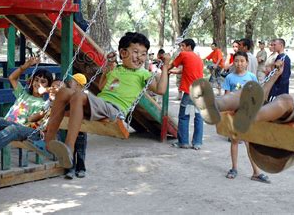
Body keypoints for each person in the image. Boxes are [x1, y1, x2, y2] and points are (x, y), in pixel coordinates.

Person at [44, 32, 170, 168]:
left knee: (78, 95)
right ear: (123, 53)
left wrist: (166, 67)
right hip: (101, 104)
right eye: (135, 52)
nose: (139, 57)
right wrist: (107, 68)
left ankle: (69, 147)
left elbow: (161, 90)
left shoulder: (143, 74)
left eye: (143, 53)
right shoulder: (116, 69)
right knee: (63, 92)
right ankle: (49, 140)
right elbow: (102, 86)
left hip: (115, 110)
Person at [190, 60, 294, 173]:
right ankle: (214, 106)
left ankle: (249, 118)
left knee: (285, 99)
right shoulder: (288, 113)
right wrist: (275, 75)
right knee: (251, 90)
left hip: (280, 157)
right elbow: (261, 98)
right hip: (259, 149)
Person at [221, 52, 270, 183]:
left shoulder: (252, 77)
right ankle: (234, 168)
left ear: (247, 63)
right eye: (236, 61)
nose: (239, 64)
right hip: (234, 115)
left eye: (242, 61)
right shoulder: (229, 78)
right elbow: (226, 98)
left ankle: (256, 172)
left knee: (250, 143)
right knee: (235, 142)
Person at [168, 38, 204, 150]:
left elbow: (171, 65)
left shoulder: (184, 54)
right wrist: (173, 72)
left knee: (184, 116)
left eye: (182, 45)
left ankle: (183, 142)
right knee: (198, 117)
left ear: (189, 46)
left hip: (189, 92)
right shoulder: (197, 58)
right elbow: (186, 70)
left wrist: (165, 69)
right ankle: (197, 143)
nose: (181, 48)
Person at [64, 73, 89, 179]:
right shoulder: (70, 95)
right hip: (70, 127)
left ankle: (81, 169)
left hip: (81, 128)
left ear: (78, 85)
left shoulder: (84, 97)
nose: (70, 83)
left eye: (73, 81)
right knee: (70, 148)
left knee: (80, 150)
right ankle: (70, 169)